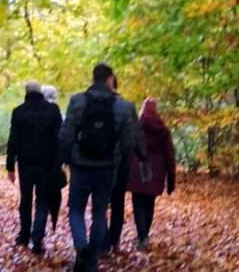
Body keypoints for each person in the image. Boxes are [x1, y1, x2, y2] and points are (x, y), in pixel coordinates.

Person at [59, 63, 141, 272]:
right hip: (107, 167)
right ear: (110, 79)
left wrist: (66, 159)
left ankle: (81, 247)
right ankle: (92, 262)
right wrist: (121, 162)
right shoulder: (123, 106)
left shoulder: (77, 101)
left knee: (75, 210)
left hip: (80, 165)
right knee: (100, 213)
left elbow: (66, 134)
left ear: (93, 78)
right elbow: (129, 141)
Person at [6, 80, 62, 255]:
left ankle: (24, 235)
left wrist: (10, 166)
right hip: (47, 164)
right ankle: (37, 239)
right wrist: (59, 163)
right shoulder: (52, 111)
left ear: (26, 93)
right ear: (40, 92)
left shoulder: (18, 111)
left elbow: (13, 140)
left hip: (25, 164)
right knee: (42, 200)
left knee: (26, 199)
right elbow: (59, 139)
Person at [126, 97, 176, 251]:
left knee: (138, 203)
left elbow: (128, 148)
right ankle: (144, 235)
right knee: (149, 204)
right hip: (156, 171)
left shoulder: (136, 127)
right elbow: (169, 156)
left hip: (138, 168)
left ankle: (142, 236)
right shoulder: (163, 130)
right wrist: (171, 179)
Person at [103, 76, 132, 254]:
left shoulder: (89, 103)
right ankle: (114, 240)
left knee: (100, 203)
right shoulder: (125, 107)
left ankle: (102, 241)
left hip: (97, 162)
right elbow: (130, 137)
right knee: (117, 203)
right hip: (120, 163)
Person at [41, 84, 67, 231]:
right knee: (55, 188)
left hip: (41, 158)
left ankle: (42, 221)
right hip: (56, 158)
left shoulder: (38, 112)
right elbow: (64, 135)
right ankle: (54, 219)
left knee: (42, 189)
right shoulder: (60, 113)